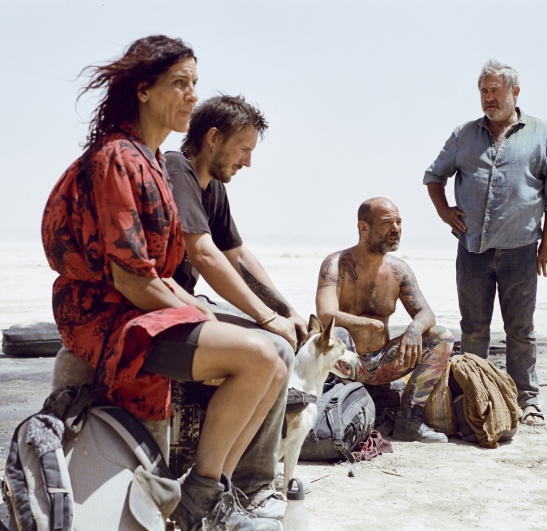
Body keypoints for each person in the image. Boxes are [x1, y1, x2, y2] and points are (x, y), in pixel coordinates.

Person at [41, 35, 284, 530]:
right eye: (179, 83)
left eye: (195, 83)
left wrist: (205, 314)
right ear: (144, 90)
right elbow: (132, 279)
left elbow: (159, 274)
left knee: (275, 361)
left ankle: (215, 493)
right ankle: (198, 504)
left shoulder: (149, 158)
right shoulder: (117, 158)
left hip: (141, 308)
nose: (192, 94)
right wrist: (203, 317)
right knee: (257, 356)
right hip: (107, 318)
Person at [164, 95, 309, 519]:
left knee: (280, 346)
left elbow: (237, 256)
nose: (248, 162)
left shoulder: (214, 189)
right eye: (243, 149)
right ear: (213, 138)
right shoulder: (177, 169)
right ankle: (236, 485)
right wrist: (266, 318)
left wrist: (285, 310)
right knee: (271, 346)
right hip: (163, 306)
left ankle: (240, 485)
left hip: (191, 305)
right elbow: (205, 255)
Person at [423, 59, 547, 427]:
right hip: (472, 249)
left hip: (521, 250)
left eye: (495, 90)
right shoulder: (464, 135)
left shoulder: (542, 134)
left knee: (521, 330)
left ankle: (527, 400)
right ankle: (473, 396)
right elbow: (434, 176)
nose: (488, 97)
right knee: (473, 329)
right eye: (483, 91)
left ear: (515, 92)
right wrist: (444, 212)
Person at [315, 197, 455, 443]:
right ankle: (338, 413)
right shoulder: (336, 264)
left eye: (399, 222)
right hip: (345, 363)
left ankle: (409, 421)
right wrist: (371, 325)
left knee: (440, 336)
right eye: (387, 223)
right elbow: (325, 315)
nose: (396, 229)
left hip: (383, 364)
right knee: (338, 334)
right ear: (363, 227)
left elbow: (426, 313)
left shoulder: (399, 270)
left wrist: (414, 328)